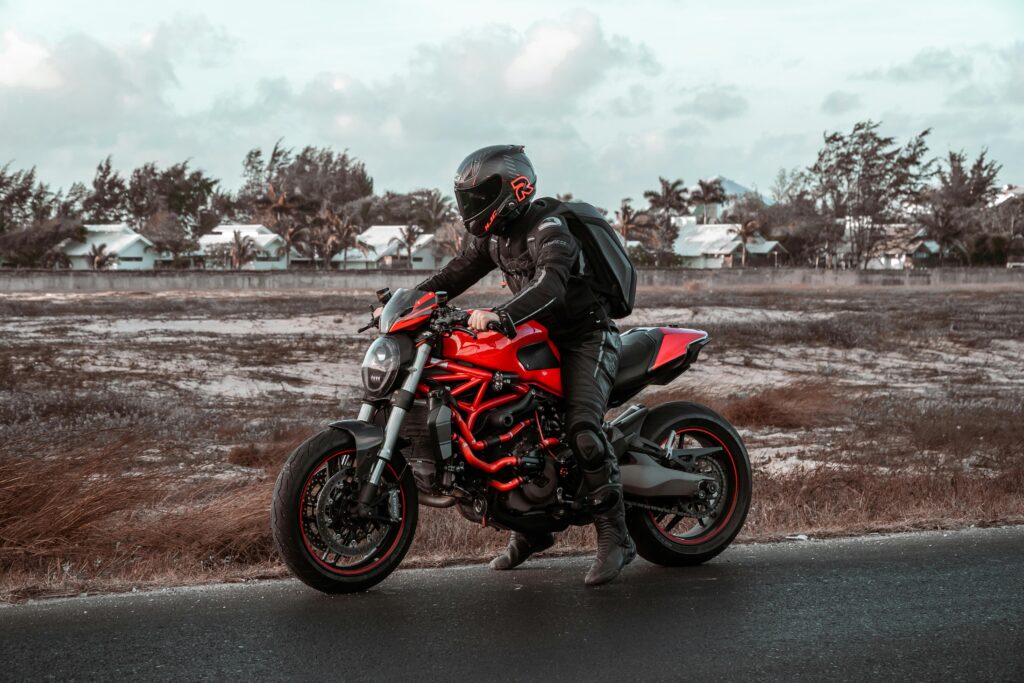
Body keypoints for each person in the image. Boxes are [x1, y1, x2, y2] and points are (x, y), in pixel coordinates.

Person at [416, 144, 635, 586]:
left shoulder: (549, 228)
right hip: (535, 336)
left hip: (585, 337)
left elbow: (551, 283)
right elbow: (453, 275)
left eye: (481, 196)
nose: (472, 206)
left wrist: (502, 315)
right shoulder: (492, 238)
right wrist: (409, 303)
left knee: (582, 428)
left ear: (514, 190)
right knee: (505, 428)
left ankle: (616, 536)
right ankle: (532, 529)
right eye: (468, 198)